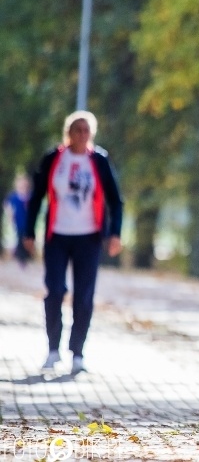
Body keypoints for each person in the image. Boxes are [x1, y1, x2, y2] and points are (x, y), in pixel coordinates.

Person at [24, 111, 124, 375]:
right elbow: (36, 197)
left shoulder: (99, 161)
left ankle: (77, 353)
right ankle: (53, 350)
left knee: (84, 296)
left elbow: (115, 199)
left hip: (89, 238)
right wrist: (28, 232)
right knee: (55, 290)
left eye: (86, 130)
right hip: (57, 235)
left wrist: (115, 233)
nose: (81, 134)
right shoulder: (54, 159)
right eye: (77, 129)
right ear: (68, 132)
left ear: (91, 134)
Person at [4, 173, 32, 267]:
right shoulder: (14, 196)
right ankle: (21, 257)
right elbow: (8, 206)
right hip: (18, 222)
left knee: (27, 239)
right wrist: (10, 217)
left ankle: (26, 255)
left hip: (28, 222)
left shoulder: (30, 196)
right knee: (20, 239)